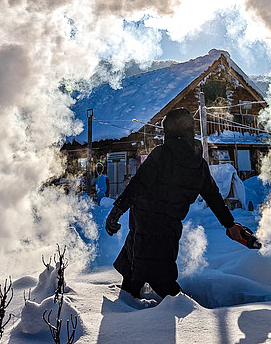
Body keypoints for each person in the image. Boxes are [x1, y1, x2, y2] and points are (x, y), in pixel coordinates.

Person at [105, 108, 255, 299]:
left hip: (145, 226)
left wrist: (117, 210)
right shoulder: (198, 164)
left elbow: (138, 185)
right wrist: (230, 224)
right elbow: (214, 197)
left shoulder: (160, 155)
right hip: (169, 229)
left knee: (156, 281)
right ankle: (132, 312)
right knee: (142, 273)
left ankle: (185, 318)